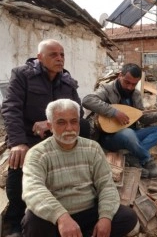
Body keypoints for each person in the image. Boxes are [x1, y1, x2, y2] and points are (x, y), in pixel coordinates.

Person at [1, 39, 90, 237]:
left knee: (84, 126)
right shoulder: (22, 75)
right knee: (18, 166)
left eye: (62, 54)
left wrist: (49, 123)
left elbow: (78, 111)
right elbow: (10, 108)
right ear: (40, 57)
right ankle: (15, 223)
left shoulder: (67, 81)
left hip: (55, 133)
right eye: (53, 55)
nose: (59, 59)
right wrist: (17, 142)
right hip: (28, 135)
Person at [21, 99, 138, 237]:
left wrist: (105, 217)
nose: (69, 128)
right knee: (32, 221)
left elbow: (106, 185)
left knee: (127, 217)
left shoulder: (92, 148)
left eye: (74, 121)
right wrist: (61, 217)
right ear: (50, 126)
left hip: (88, 212)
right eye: (61, 122)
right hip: (56, 218)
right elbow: (33, 190)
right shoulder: (37, 153)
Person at [83, 63, 157, 179]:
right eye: (127, 82)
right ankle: (147, 160)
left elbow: (142, 117)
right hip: (109, 137)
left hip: (132, 135)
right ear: (120, 76)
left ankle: (131, 157)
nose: (130, 87)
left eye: (134, 84)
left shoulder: (135, 94)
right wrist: (114, 112)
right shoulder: (107, 89)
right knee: (128, 133)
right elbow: (87, 100)